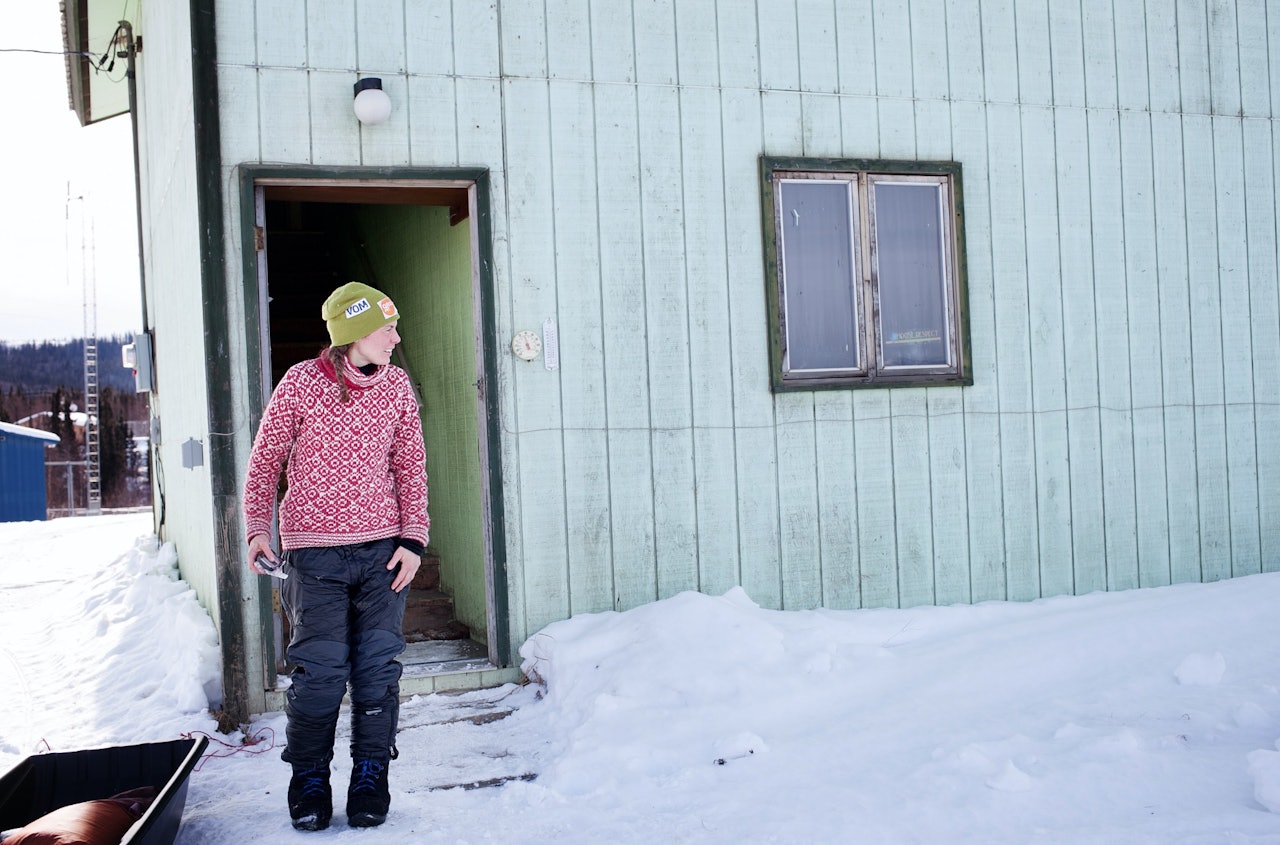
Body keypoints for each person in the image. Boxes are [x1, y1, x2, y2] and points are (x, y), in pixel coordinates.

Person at [242, 282, 429, 831]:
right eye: (387, 328)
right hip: (313, 557)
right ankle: (309, 779)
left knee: (377, 669)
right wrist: (257, 529)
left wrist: (414, 538)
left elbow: (410, 466)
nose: (396, 338)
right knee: (320, 673)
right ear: (353, 333)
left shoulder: (396, 387)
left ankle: (371, 774)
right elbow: (264, 462)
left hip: (382, 554)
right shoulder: (300, 384)